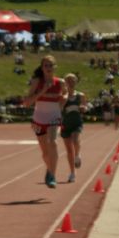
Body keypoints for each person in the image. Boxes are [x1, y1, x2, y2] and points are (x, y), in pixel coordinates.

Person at [24, 55, 67, 188]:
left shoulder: (60, 82)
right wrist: (43, 90)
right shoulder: (37, 81)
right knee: (45, 153)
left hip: (54, 117)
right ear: (42, 68)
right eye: (46, 65)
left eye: (50, 65)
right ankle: (49, 170)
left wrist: (63, 100)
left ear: (55, 67)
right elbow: (27, 102)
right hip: (39, 119)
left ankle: (52, 175)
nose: (48, 68)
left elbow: (65, 94)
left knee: (52, 142)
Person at [60, 73, 87, 183]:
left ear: (76, 82)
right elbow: (59, 108)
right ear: (65, 83)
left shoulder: (80, 95)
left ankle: (78, 155)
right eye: (68, 80)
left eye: (73, 80)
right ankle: (72, 173)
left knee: (75, 139)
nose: (70, 82)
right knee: (68, 150)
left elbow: (85, 107)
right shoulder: (62, 96)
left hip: (76, 122)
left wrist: (83, 108)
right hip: (65, 124)